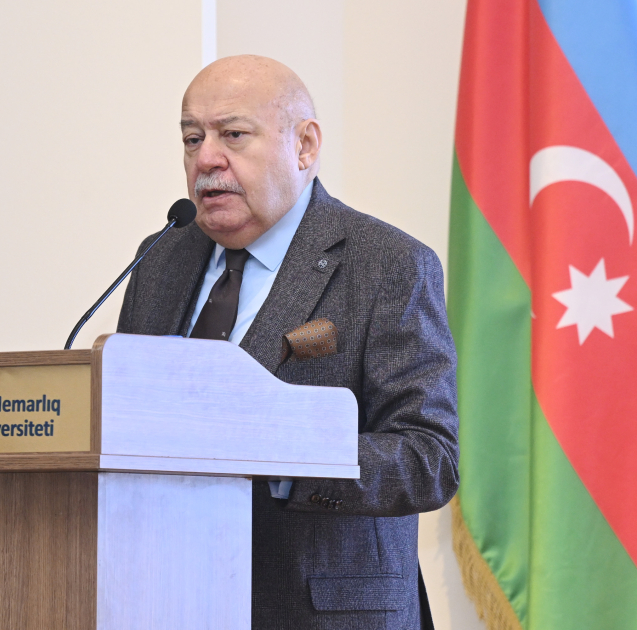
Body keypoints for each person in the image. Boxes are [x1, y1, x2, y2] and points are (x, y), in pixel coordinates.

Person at [117, 55, 458, 630]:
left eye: (233, 135)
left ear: (304, 146)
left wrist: (282, 452)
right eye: (193, 138)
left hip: (318, 611)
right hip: (167, 598)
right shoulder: (160, 258)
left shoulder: (387, 264)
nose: (206, 159)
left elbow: (429, 458)